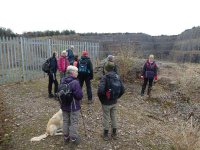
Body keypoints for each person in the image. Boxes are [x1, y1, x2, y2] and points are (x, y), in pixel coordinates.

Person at [98, 61, 125, 141]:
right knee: (114, 116)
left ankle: (106, 134)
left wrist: (102, 99)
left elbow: (100, 91)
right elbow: (123, 90)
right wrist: (117, 97)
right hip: (114, 101)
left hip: (106, 102)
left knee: (106, 117)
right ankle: (114, 133)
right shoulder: (117, 76)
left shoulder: (105, 77)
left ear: (106, 68)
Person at [60, 65, 83, 145]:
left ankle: (66, 137)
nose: (77, 73)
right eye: (76, 71)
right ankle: (73, 138)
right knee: (74, 122)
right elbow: (79, 96)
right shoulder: (75, 82)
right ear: (72, 73)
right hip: (74, 107)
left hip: (64, 105)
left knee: (65, 121)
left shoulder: (62, 80)